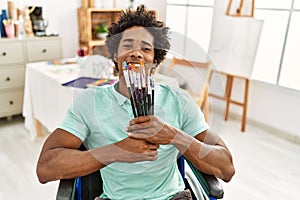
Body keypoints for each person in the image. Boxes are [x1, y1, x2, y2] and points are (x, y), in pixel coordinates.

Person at [36, 5, 235, 199]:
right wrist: (116, 151)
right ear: (115, 56)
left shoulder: (179, 101)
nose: (136, 53)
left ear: (155, 60)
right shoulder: (90, 103)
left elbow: (226, 168)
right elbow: (45, 168)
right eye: (128, 46)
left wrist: (173, 135)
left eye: (146, 49)